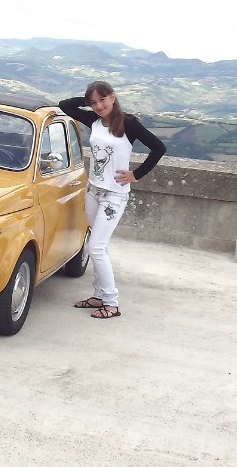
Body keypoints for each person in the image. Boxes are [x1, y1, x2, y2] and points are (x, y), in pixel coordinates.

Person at [57, 81, 166, 320]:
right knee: (99, 246)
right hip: (93, 191)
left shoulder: (129, 124)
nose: (98, 106)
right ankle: (98, 295)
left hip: (114, 195)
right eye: (94, 102)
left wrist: (136, 175)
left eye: (103, 100)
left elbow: (158, 148)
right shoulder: (94, 121)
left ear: (113, 98)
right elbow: (64, 105)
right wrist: (88, 101)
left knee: (95, 247)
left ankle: (111, 302)